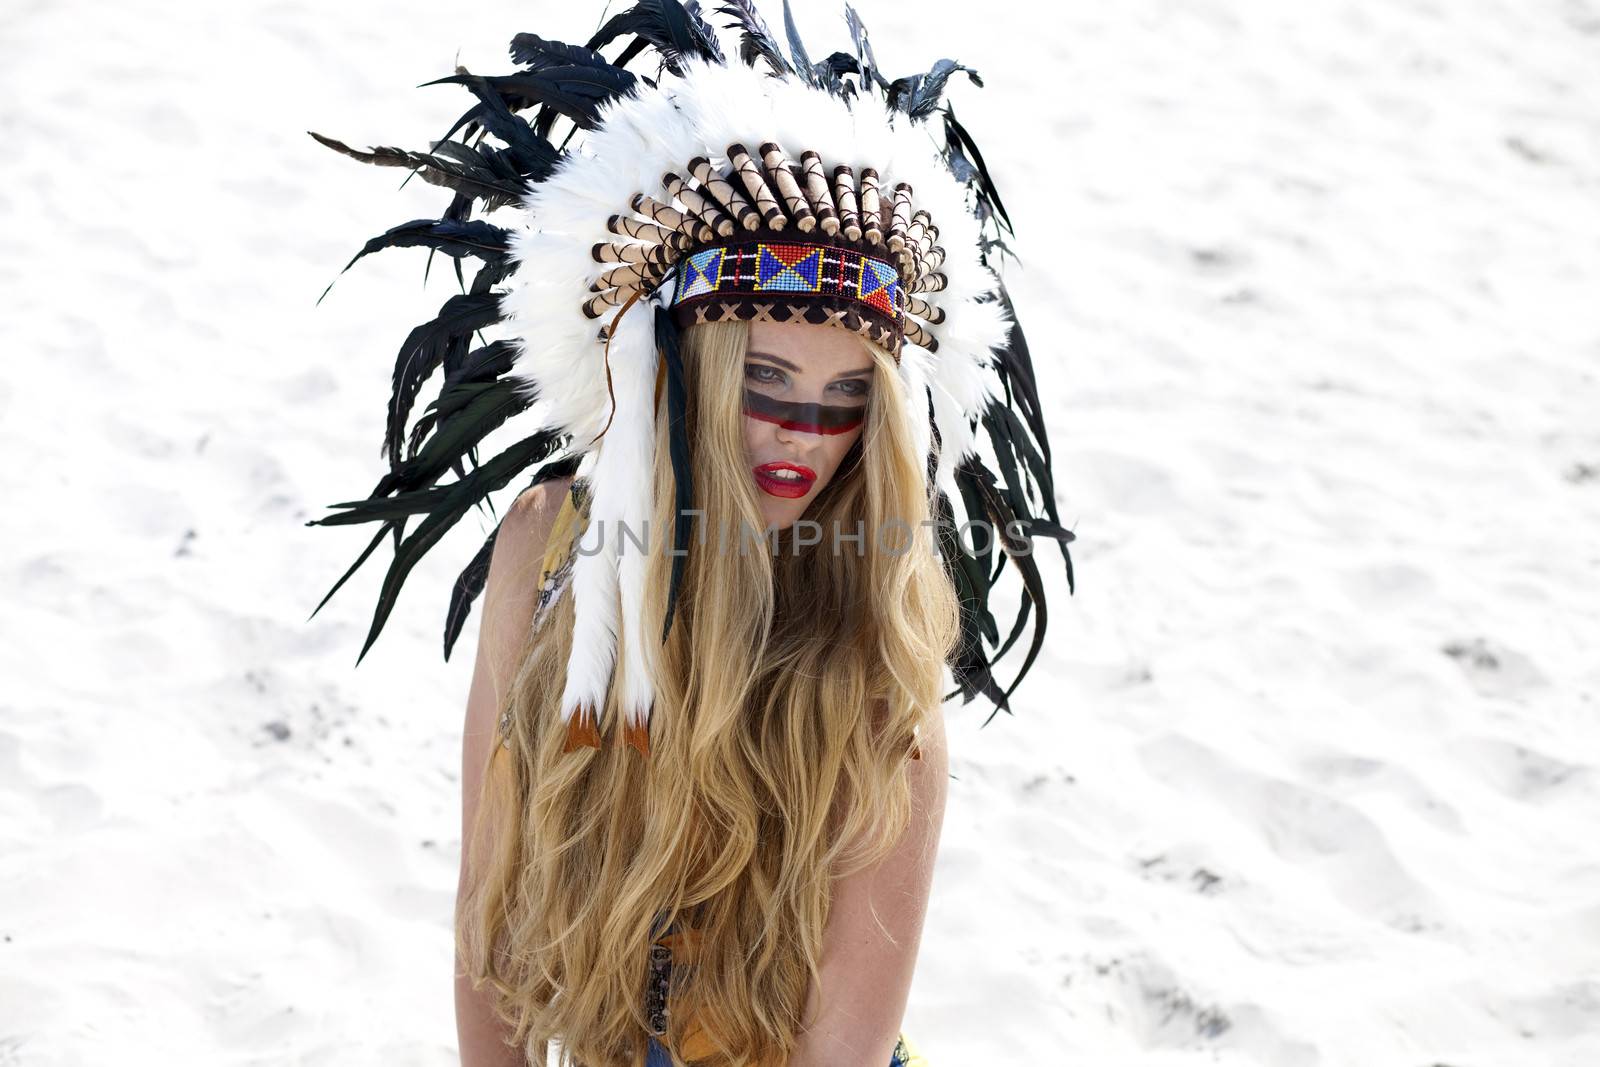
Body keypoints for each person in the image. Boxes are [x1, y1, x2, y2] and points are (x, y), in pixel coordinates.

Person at [306, 6, 1075, 1064]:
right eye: (762, 382)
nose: (804, 437)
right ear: (683, 377)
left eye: (846, 396)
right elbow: (484, 920)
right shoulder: (546, 550)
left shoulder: (876, 661)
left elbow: (838, 1051)